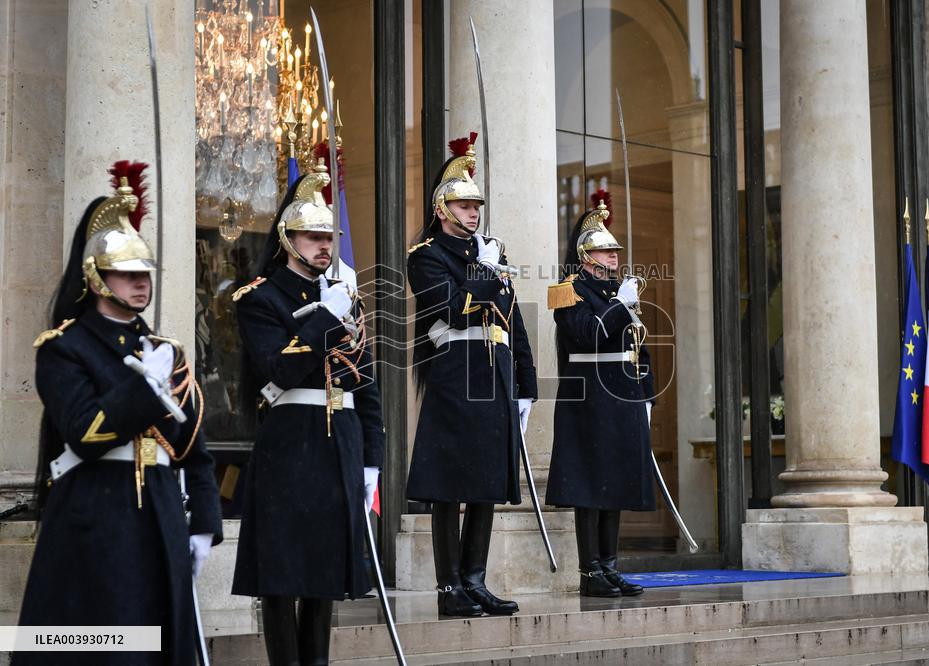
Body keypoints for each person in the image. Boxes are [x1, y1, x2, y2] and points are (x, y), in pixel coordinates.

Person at [16, 161, 222, 665]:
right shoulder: (64, 349)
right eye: (127, 274)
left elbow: (194, 450)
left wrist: (204, 522)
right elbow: (85, 433)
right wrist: (145, 389)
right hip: (97, 517)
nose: (140, 284)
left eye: (144, 274)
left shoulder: (165, 351)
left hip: (160, 515)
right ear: (96, 277)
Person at [231, 162, 385, 665]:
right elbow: (279, 368)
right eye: (314, 237)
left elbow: (365, 383)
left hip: (341, 441)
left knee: (325, 572)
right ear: (288, 238)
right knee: (282, 573)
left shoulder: (343, 298)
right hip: (291, 442)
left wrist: (372, 457)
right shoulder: (260, 298)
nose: (325, 246)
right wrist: (324, 318)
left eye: (329, 237)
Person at [406, 134, 538, 617]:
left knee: (487, 482)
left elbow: (512, 321)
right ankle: (449, 587)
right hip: (455, 374)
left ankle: (475, 580)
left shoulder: (489, 254)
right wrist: (483, 271)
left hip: (495, 375)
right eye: (464, 205)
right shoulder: (426, 256)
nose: (473, 213)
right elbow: (453, 309)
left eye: (476, 206)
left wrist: (526, 383)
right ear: (442, 208)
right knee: (449, 485)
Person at [545, 190, 655, 598]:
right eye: (606, 252)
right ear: (586, 256)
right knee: (590, 486)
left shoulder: (615, 293)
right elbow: (589, 334)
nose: (613, 257)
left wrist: (647, 394)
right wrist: (621, 307)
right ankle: (589, 571)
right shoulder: (569, 290)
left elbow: (637, 346)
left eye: (615, 252)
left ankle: (609, 566)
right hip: (590, 399)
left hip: (623, 396)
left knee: (617, 482)